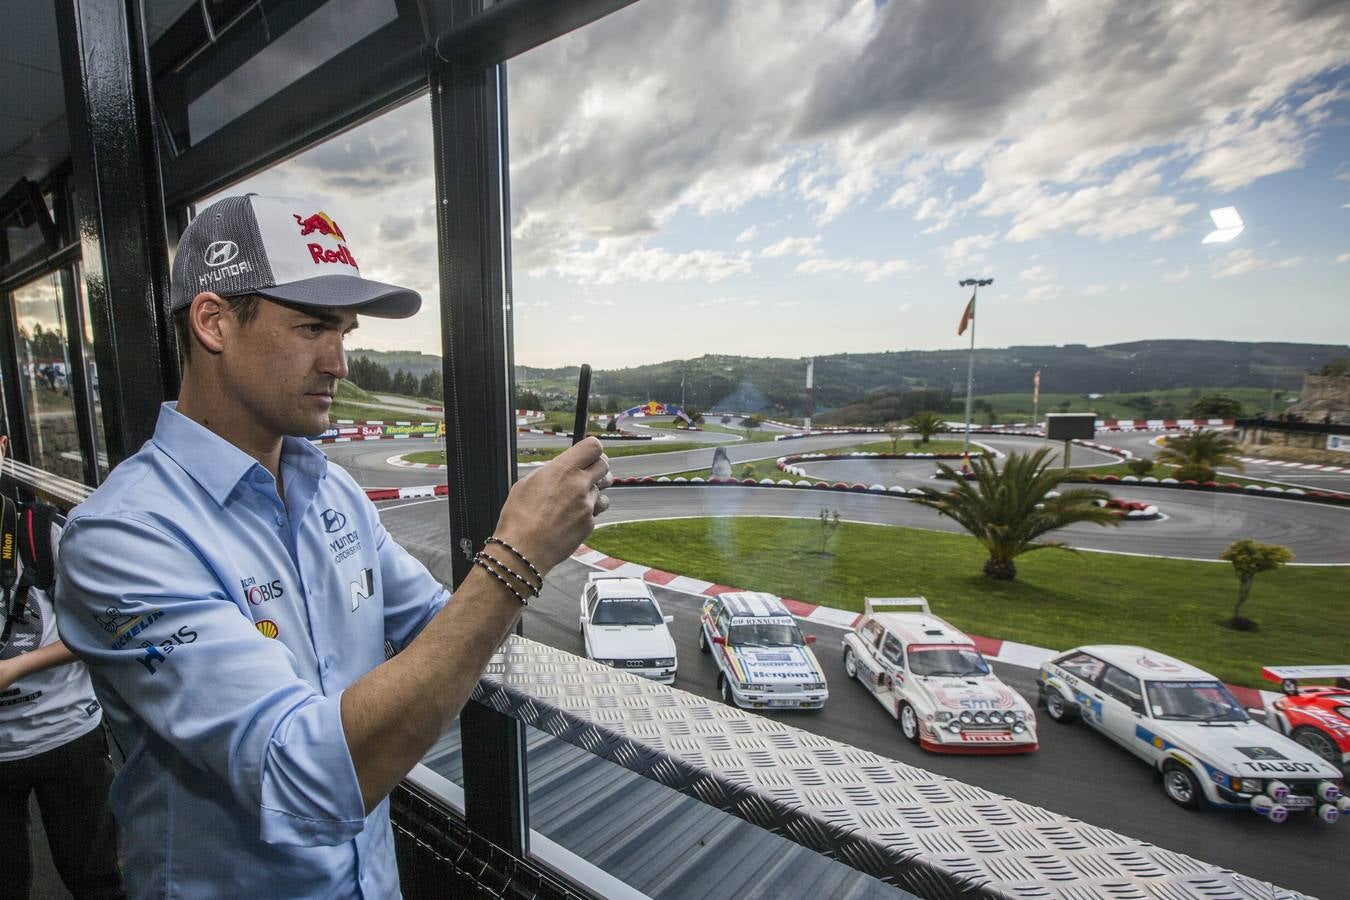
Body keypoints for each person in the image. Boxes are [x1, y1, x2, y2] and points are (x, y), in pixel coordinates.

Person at [54, 194, 610, 898]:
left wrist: (533, 541)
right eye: (314, 327)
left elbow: (450, 630)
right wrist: (516, 554)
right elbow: (302, 778)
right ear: (213, 321)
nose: (340, 362)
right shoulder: (123, 538)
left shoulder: (332, 492)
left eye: (345, 331)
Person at [0, 432, 125, 899]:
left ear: (3, 447)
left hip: (67, 735)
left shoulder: (40, 532)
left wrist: (17, 668)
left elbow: (105, 628)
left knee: (96, 881)